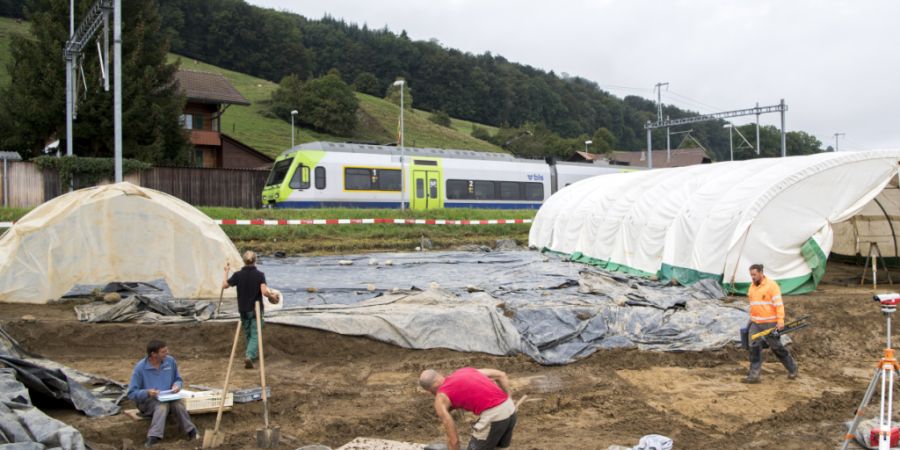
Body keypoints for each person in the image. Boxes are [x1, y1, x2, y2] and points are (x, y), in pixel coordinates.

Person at [419, 367, 517, 450]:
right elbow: (501, 375)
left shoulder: (440, 399)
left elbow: (454, 440)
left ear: (429, 391)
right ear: (440, 375)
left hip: (494, 416)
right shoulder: (466, 371)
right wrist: (509, 400)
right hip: (510, 410)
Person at [126, 340, 197, 447]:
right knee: (162, 405)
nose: (167, 353)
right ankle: (154, 437)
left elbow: (178, 379)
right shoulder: (140, 368)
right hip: (147, 403)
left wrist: (177, 385)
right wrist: (147, 392)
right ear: (153, 354)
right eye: (163, 352)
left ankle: (192, 432)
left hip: (168, 398)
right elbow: (131, 393)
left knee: (178, 404)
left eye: (167, 350)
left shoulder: (170, 361)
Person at [222, 250, 277, 369]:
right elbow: (264, 292)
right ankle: (249, 355)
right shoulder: (259, 275)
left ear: (244, 261)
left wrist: (226, 272)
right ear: (255, 260)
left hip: (242, 308)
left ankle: (251, 355)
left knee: (248, 332)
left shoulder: (238, 275)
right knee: (255, 333)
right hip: (255, 309)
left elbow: (225, 285)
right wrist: (272, 295)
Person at [744, 263, 798, 383]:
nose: (752, 277)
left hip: (770, 323)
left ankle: (792, 367)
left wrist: (780, 320)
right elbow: (753, 305)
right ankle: (754, 374)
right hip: (756, 323)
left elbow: (779, 305)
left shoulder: (772, 286)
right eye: (751, 275)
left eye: (754, 274)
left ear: (761, 273)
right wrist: (751, 320)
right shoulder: (752, 287)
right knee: (753, 346)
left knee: (776, 347)